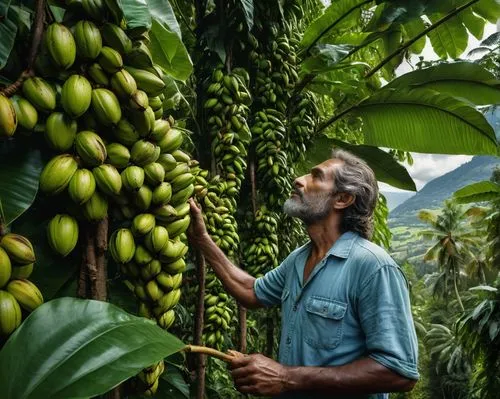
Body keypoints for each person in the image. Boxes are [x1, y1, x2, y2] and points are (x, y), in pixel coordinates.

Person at [187, 149, 419, 398]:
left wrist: (286, 377)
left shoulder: (373, 267)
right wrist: (202, 240)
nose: (299, 179)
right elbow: (251, 292)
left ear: (342, 199)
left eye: (316, 176)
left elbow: (398, 371)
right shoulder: (300, 258)